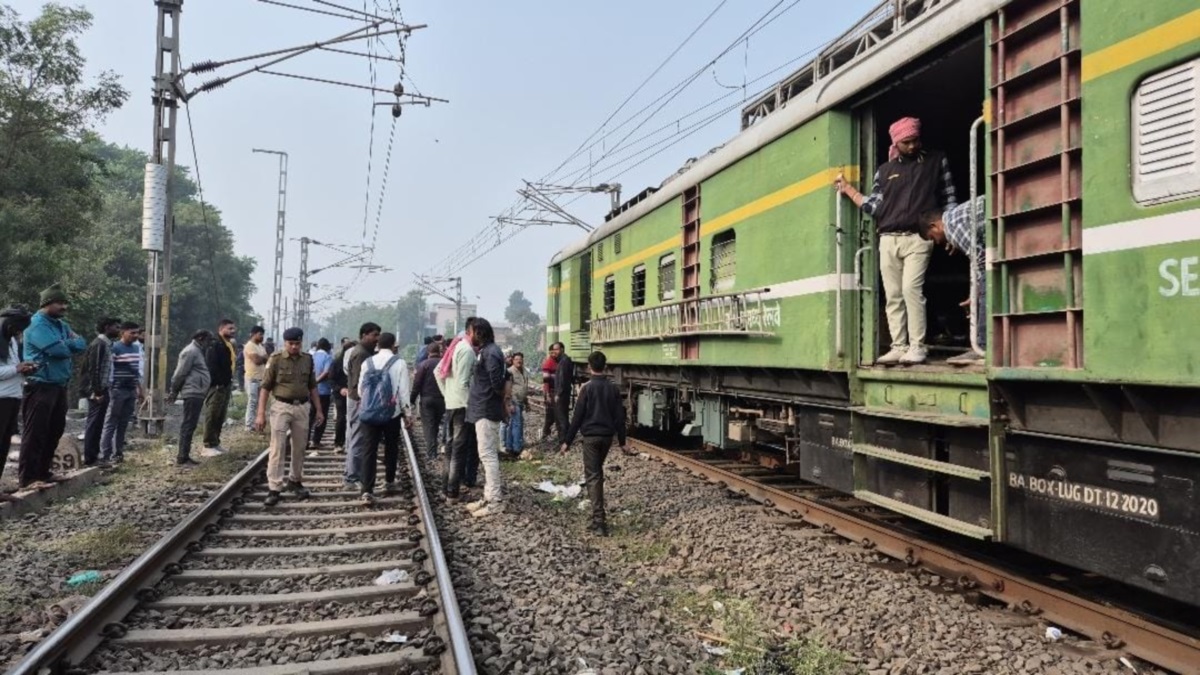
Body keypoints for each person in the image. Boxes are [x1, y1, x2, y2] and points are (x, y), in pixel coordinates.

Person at [837, 116, 956, 365]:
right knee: (892, 294)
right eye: (906, 142)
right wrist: (848, 190)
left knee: (911, 289)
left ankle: (918, 346)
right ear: (896, 143)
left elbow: (949, 199)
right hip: (888, 239)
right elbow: (874, 206)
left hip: (919, 237)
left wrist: (952, 231)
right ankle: (898, 346)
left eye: (915, 141)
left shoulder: (936, 160)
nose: (912, 146)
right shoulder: (885, 170)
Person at [19, 284, 87, 488]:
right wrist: (68, 343)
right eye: (60, 303)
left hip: (59, 385)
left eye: (65, 302)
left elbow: (82, 343)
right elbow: (59, 351)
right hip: (40, 385)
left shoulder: (60, 325)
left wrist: (68, 343)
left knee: (54, 430)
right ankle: (28, 478)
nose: (64, 306)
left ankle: (43, 472)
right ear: (47, 303)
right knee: (36, 432)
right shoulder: (36, 325)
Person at [560, 351, 627, 536]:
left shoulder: (586, 388)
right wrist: (622, 442)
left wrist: (567, 441)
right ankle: (598, 519)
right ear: (605, 366)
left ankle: (599, 522)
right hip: (606, 438)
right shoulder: (613, 389)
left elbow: (577, 417)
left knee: (593, 476)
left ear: (589, 367)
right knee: (597, 472)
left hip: (590, 438)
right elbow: (620, 417)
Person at [255, 327, 322, 507]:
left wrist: (319, 409)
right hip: (281, 406)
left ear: (301, 343)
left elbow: (312, 386)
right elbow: (265, 387)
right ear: (285, 343)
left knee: (300, 446)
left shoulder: (307, 359)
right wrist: (260, 413)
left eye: (297, 343)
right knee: (278, 446)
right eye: (291, 343)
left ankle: (295, 480)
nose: (294, 347)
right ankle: (274, 487)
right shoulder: (275, 359)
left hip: (301, 407)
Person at [919, 195, 987, 365]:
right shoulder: (955, 216)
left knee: (986, 290)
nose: (936, 242)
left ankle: (982, 348)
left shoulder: (952, 228)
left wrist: (977, 292)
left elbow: (980, 259)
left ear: (935, 225)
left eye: (932, 237)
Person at [356, 332, 411, 503]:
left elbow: (360, 390)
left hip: (369, 413)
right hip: (391, 413)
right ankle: (389, 481)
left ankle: (367, 490)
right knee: (391, 447)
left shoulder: (368, 362)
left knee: (369, 450)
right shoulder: (399, 363)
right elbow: (403, 392)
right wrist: (407, 414)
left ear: (378, 344)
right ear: (393, 344)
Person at [464, 318, 507, 517]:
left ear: (478, 332)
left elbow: (497, 383)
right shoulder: (488, 351)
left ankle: (495, 501)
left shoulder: (490, 353)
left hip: (487, 409)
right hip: (484, 408)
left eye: (470, 331)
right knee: (486, 455)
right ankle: (488, 496)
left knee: (488, 456)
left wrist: (499, 400)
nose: (469, 335)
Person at [439, 318, 479, 503]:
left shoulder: (455, 347)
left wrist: (447, 394)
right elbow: (464, 382)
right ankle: (453, 492)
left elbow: (437, 373)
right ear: (471, 331)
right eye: (479, 332)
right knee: (458, 451)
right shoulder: (467, 351)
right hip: (461, 406)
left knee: (450, 448)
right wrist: (468, 404)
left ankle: (445, 487)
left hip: (452, 404)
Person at [0, 306, 34, 499]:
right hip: (1, 399)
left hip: (12, 397)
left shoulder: (10, 341)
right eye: (18, 328)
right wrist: (17, 368)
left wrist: (25, 369)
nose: (19, 333)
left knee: (4, 444)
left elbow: (13, 367)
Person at [99, 321, 144, 463]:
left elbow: (136, 371)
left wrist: (140, 390)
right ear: (123, 332)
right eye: (132, 333)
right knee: (111, 422)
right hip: (118, 389)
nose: (135, 336)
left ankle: (118, 453)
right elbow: (108, 370)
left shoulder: (137, 349)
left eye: (137, 332)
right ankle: (105, 455)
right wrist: (109, 388)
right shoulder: (115, 348)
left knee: (124, 422)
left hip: (131, 390)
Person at [343, 323, 380, 490]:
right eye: (374, 335)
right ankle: (352, 477)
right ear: (364, 334)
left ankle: (351, 474)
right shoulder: (361, 354)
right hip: (358, 400)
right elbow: (359, 383)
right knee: (358, 439)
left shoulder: (363, 352)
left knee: (355, 437)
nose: (377, 338)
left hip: (356, 399)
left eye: (378, 335)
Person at [168, 330, 212, 466]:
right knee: (188, 424)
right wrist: (173, 391)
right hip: (192, 391)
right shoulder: (191, 351)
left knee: (191, 424)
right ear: (200, 338)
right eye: (208, 340)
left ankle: (184, 455)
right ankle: (182, 457)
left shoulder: (197, 351)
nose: (209, 343)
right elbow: (180, 373)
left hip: (196, 392)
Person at [82, 318, 120, 467]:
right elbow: (94, 369)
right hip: (98, 390)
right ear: (107, 327)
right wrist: (96, 391)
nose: (119, 330)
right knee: (94, 422)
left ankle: (94, 455)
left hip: (104, 388)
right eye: (116, 327)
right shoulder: (99, 344)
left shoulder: (107, 344)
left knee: (99, 423)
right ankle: (90, 458)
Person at [202, 319, 238, 456]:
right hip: (217, 385)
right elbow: (211, 366)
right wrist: (217, 383)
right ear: (221, 329)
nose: (233, 331)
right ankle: (207, 444)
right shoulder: (214, 344)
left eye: (234, 329)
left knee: (220, 415)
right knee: (212, 414)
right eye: (230, 328)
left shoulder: (227, 344)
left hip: (225, 384)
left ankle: (215, 442)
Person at [410, 342, 445, 460]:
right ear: (439, 351)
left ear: (428, 352)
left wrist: (412, 399)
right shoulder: (444, 364)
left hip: (427, 399)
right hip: (442, 399)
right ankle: (433, 448)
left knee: (429, 425)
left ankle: (431, 453)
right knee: (435, 424)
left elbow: (417, 384)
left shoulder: (423, 365)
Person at [330, 339, 355, 452]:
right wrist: (340, 389)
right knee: (341, 416)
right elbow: (331, 379)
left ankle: (352, 443)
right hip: (340, 393)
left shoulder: (359, 361)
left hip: (355, 393)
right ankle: (338, 443)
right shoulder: (336, 362)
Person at [242, 326, 268, 431]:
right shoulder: (249, 346)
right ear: (253, 334)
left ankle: (257, 424)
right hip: (252, 378)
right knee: (252, 401)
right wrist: (263, 358)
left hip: (261, 378)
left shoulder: (260, 346)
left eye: (262, 334)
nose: (262, 336)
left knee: (260, 402)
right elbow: (257, 360)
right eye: (260, 334)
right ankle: (249, 425)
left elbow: (268, 359)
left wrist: (262, 358)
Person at [309, 338, 334, 447]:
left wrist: (311, 384)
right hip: (323, 391)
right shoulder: (328, 357)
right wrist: (317, 381)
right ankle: (316, 441)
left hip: (310, 391)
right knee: (321, 416)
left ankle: (305, 440)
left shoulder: (311, 356)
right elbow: (326, 372)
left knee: (310, 416)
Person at [551, 342, 575, 445]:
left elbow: (562, 379)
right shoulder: (563, 360)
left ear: (562, 349)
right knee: (562, 416)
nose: (554, 352)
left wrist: (558, 394)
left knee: (562, 417)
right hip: (564, 393)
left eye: (556, 349)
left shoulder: (564, 361)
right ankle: (565, 438)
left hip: (562, 394)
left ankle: (564, 440)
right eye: (553, 350)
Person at [505, 352, 528, 459]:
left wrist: (527, 403)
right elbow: (507, 389)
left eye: (521, 359)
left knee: (513, 425)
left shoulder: (524, 371)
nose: (519, 361)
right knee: (517, 425)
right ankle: (516, 449)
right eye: (517, 359)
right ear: (513, 361)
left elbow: (524, 388)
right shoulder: (510, 372)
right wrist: (509, 404)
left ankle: (510, 447)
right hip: (513, 401)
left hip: (520, 401)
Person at [540, 349, 559, 443]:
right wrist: (547, 394)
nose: (554, 354)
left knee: (553, 414)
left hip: (553, 391)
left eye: (555, 352)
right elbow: (546, 381)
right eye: (552, 352)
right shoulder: (548, 363)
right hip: (550, 392)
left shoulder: (555, 362)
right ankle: (545, 433)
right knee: (550, 414)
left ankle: (546, 433)